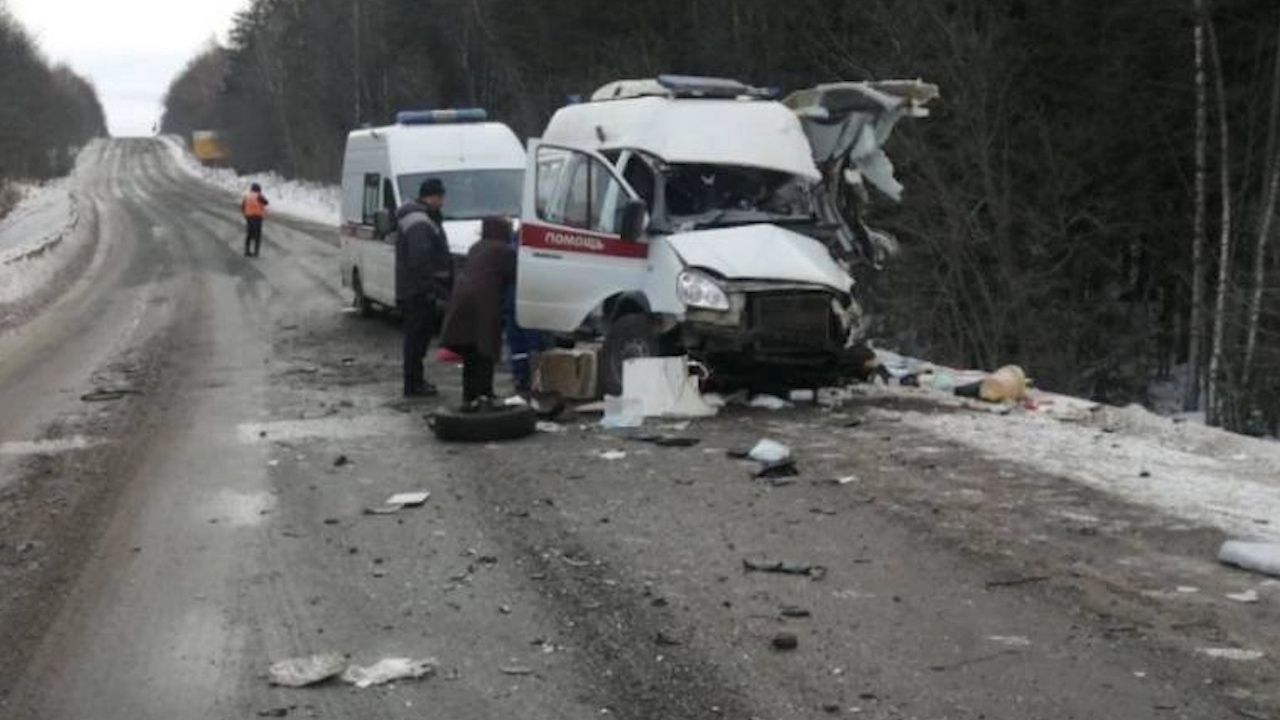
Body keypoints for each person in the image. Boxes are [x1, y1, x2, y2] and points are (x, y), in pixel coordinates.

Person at [439, 216, 518, 407]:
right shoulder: (503, 250)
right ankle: (484, 394)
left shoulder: (477, 247)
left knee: (470, 353)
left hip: (461, 300)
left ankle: (470, 396)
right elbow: (515, 274)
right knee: (485, 351)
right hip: (484, 303)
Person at [395, 178, 452, 397]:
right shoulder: (420, 221)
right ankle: (414, 384)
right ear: (432, 196)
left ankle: (415, 381)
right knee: (416, 339)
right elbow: (420, 260)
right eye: (440, 196)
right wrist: (431, 289)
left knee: (416, 338)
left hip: (414, 289)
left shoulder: (419, 218)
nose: (443, 201)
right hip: (418, 291)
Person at [241, 183, 269, 257]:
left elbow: (243, 206)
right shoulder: (259, 196)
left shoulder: (247, 196)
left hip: (249, 218)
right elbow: (266, 202)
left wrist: (245, 214)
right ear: (258, 189)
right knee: (258, 235)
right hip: (257, 218)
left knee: (249, 234)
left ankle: (247, 250)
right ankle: (256, 252)